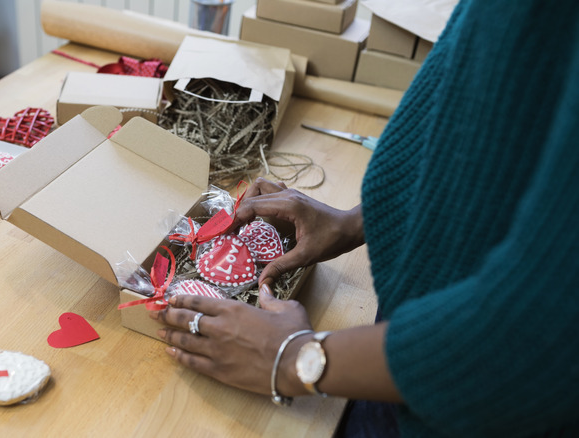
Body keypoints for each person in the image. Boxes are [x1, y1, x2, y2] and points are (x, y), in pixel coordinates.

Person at [150, 0, 579, 436]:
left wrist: (300, 356)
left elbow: (540, 333)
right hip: (400, 357)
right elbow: (500, 139)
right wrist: (358, 220)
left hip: (457, 401)